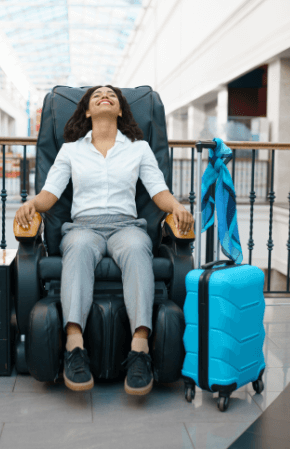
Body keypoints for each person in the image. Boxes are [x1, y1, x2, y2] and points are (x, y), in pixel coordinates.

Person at [15, 85, 193, 395]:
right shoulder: (71, 150)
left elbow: (157, 191)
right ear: (87, 111)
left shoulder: (138, 148)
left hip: (127, 226)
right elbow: (51, 193)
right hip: (84, 226)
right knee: (80, 248)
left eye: (110, 94)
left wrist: (177, 206)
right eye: (96, 95)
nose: (104, 95)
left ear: (121, 110)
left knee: (139, 248)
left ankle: (140, 350)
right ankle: (74, 347)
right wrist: (32, 203)